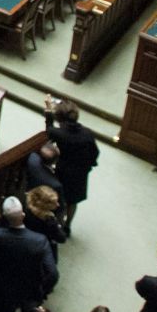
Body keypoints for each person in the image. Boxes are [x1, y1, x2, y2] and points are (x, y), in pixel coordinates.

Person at [0, 196, 57, 312]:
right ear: (23, 215)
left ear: (5, 217)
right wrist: (41, 291)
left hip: (1, 287)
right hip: (28, 289)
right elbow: (53, 274)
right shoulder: (39, 240)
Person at [43, 97, 98, 234]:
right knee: (73, 201)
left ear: (59, 118)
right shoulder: (87, 133)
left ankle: (59, 226)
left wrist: (48, 111)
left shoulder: (59, 133)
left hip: (64, 171)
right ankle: (67, 226)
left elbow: (49, 129)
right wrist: (87, 166)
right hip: (80, 173)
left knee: (60, 200)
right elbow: (95, 152)